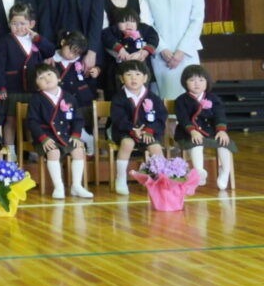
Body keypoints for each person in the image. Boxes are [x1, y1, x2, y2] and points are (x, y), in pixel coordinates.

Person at [140, 0, 205, 99]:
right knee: (166, 100)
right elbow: (147, 23)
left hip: (187, 53)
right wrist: (162, 49)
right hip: (162, 55)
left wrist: (181, 51)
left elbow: (197, 20)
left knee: (191, 99)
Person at [0, 3, 55, 162]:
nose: (18, 27)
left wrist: (38, 39)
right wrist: (1, 87)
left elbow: (50, 51)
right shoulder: (5, 41)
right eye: (14, 23)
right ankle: (10, 151)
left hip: (33, 89)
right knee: (10, 120)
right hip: (12, 88)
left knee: (31, 121)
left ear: (31, 23)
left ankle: (33, 149)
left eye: (22, 23)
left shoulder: (36, 39)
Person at [27, 64, 94, 199]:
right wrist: (43, 138)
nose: (46, 78)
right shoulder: (36, 99)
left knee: (78, 150)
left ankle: (76, 186)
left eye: (49, 74)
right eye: (41, 77)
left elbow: (78, 119)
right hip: (46, 137)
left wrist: (76, 135)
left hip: (66, 135)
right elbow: (32, 122)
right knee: (53, 152)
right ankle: (58, 187)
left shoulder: (69, 98)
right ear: (37, 86)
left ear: (58, 78)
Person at [108, 60, 167, 195]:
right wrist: (133, 130)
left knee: (156, 148)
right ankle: (121, 178)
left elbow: (161, 117)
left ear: (145, 78)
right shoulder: (118, 98)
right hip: (125, 132)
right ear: (122, 79)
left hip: (148, 132)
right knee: (127, 143)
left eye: (137, 74)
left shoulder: (153, 98)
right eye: (128, 75)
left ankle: (161, 179)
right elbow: (118, 119)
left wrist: (149, 130)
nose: (133, 78)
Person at [174, 65, 235, 190]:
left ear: (207, 82)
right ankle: (199, 171)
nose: (197, 84)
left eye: (201, 80)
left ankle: (224, 171)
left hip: (210, 131)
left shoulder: (213, 98)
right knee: (196, 143)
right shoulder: (181, 100)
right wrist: (192, 131)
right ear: (185, 82)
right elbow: (183, 118)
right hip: (187, 132)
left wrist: (221, 131)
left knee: (224, 143)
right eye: (192, 80)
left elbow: (219, 115)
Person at [101, 8, 159, 93]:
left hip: (141, 68)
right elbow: (105, 36)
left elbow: (154, 37)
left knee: (143, 92)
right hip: (119, 70)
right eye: (123, 22)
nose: (128, 25)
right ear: (117, 24)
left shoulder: (143, 29)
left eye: (132, 21)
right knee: (118, 91)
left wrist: (145, 51)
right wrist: (120, 49)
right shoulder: (114, 31)